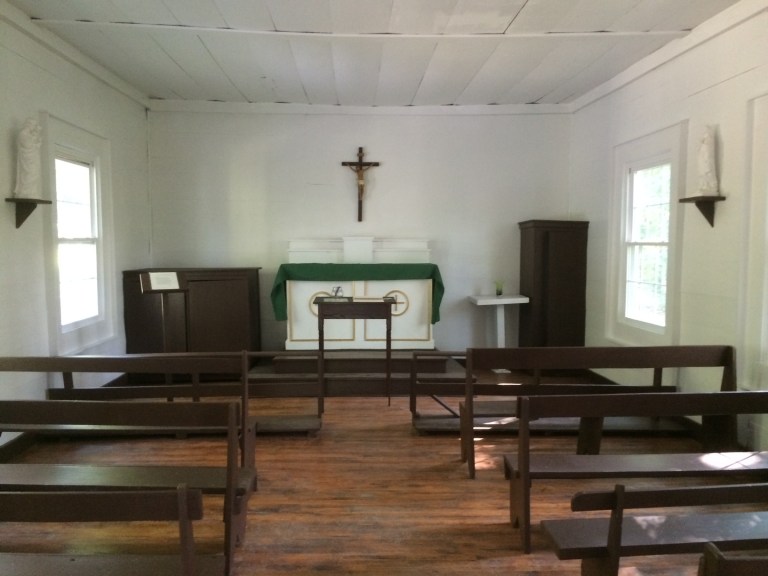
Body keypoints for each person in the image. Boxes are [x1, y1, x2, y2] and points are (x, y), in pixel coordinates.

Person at [13, 117, 43, 198]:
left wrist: (36, 141)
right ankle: (25, 192)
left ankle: (31, 192)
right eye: (33, 125)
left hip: (32, 158)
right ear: (29, 125)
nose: (34, 128)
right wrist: (36, 144)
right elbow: (28, 146)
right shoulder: (23, 134)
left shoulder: (28, 135)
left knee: (34, 174)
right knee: (29, 174)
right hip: (27, 159)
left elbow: (31, 144)